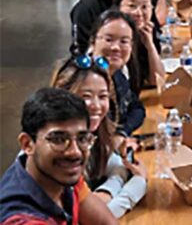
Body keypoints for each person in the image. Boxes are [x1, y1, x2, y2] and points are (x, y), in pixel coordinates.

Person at [0, 88, 117, 224]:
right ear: (27, 144)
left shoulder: (59, 174)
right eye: (58, 139)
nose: (75, 152)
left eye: (82, 139)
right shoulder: (20, 219)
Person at [51, 58, 148, 218]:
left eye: (102, 96)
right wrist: (138, 184)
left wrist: (107, 192)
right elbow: (90, 219)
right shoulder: (58, 150)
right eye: (86, 96)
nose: (96, 105)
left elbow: (115, 164)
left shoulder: (93, 132)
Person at [90, 9, 146, 136]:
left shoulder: (117, 74)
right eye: (109, 40)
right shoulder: (83, 80)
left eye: (124, 41)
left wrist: (121, 134)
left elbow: (137, 108)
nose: (116, 47)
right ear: (93, 41)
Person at [115, 0, 166, 87]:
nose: (138, 13)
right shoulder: (114, 38)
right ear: (118, 7)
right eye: (132, 6)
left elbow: (157, 81)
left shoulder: (145, 32)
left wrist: (150, 45)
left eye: (145, 7)